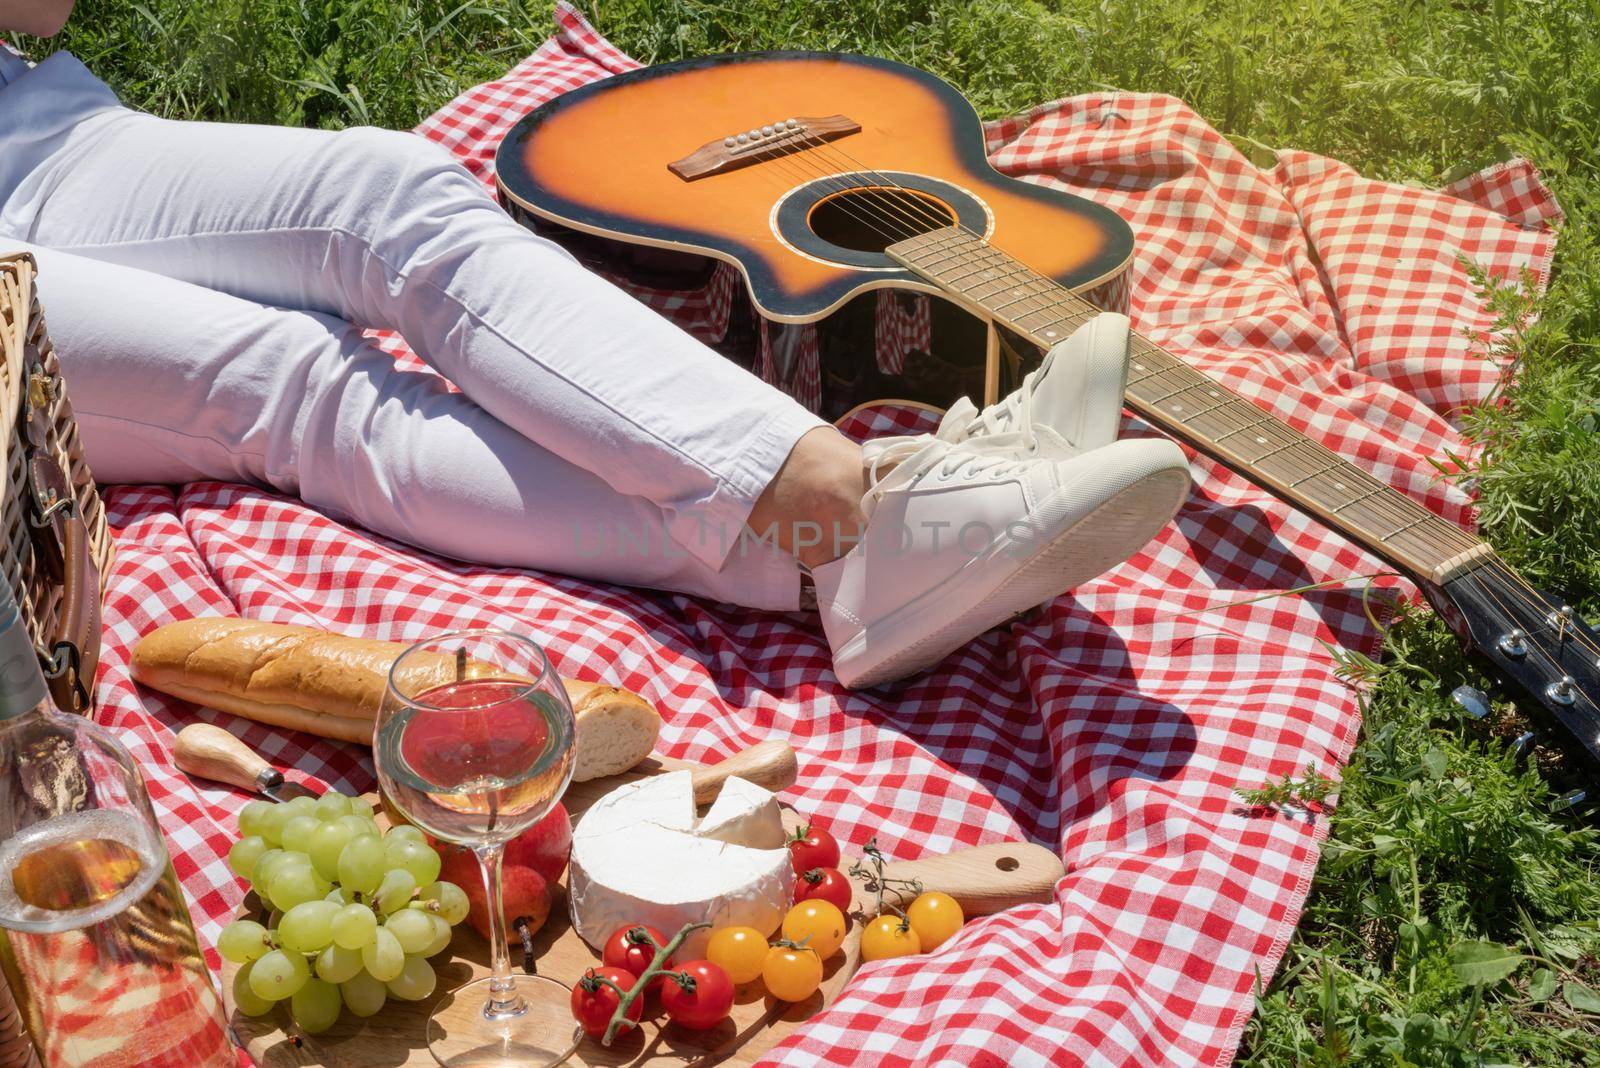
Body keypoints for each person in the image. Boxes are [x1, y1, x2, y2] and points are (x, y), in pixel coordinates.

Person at [0, 0, 1190, 688]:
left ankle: (870, 534)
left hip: (30, 134)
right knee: (290, 382)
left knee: (390, 190)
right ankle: (854, 525)